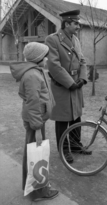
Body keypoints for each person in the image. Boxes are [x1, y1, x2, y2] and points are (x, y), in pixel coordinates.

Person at [10, 42, 59, 202]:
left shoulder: (36, 72)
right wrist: (37, 126)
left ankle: (32, 187)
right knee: (36, 155)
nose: (47, 58)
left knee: (33, 153)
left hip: (37, 119)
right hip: (35, 121)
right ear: (38, 58)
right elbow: (32, 103)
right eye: (44, 55)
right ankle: (38, 192)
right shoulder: (32, 75)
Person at [45, 9, 91, 164]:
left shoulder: (76, 40)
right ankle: (64, 149)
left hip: (76, 85)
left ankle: (76, 145)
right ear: (66, 23)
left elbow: (83, 60)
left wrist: (83, 79)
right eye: (75, 23)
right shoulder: (53, 40)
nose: (78, 26)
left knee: (76, 117)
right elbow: (54, 66)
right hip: (63, 86)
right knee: (63, 119)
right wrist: (70, 83)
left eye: (78, 23)